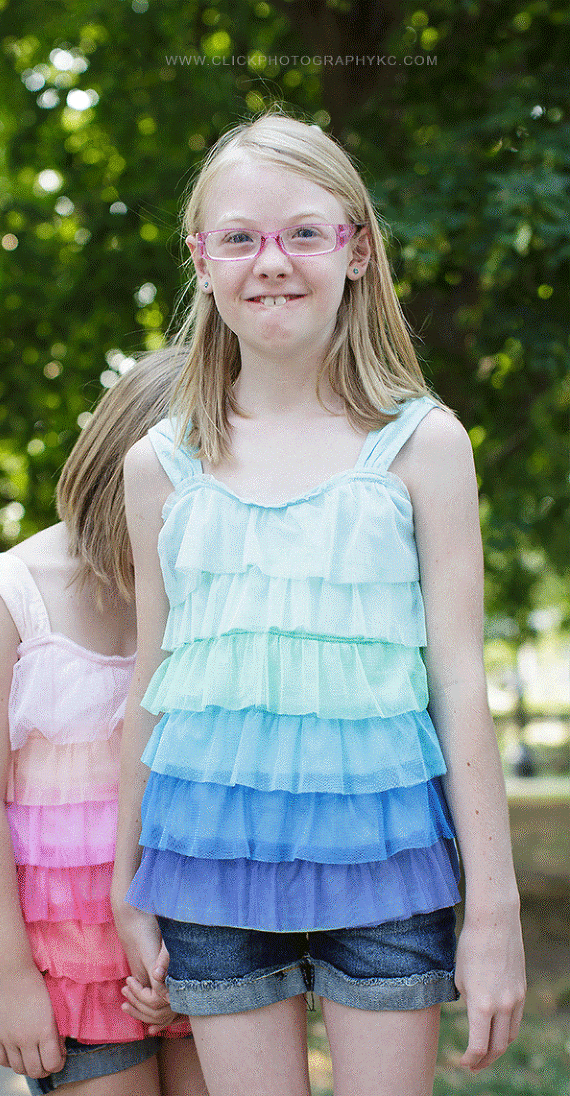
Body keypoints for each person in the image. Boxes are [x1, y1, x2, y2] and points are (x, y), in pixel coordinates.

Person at [111, 112, 526, 1096]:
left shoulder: (424, 446)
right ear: (201, 261)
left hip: (388, 863)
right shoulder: (158, 468)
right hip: (208, 864)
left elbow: (458, 681)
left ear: (357, 249)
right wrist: (128, 879)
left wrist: (495, 911)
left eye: (304, 231)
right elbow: (153, 681)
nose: (273, 262)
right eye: (240, 238)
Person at [0, 348, 207, 1096]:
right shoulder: (7, 598)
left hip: (196, 942)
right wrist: (8, 979)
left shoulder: (205, 591)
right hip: (70, 963)